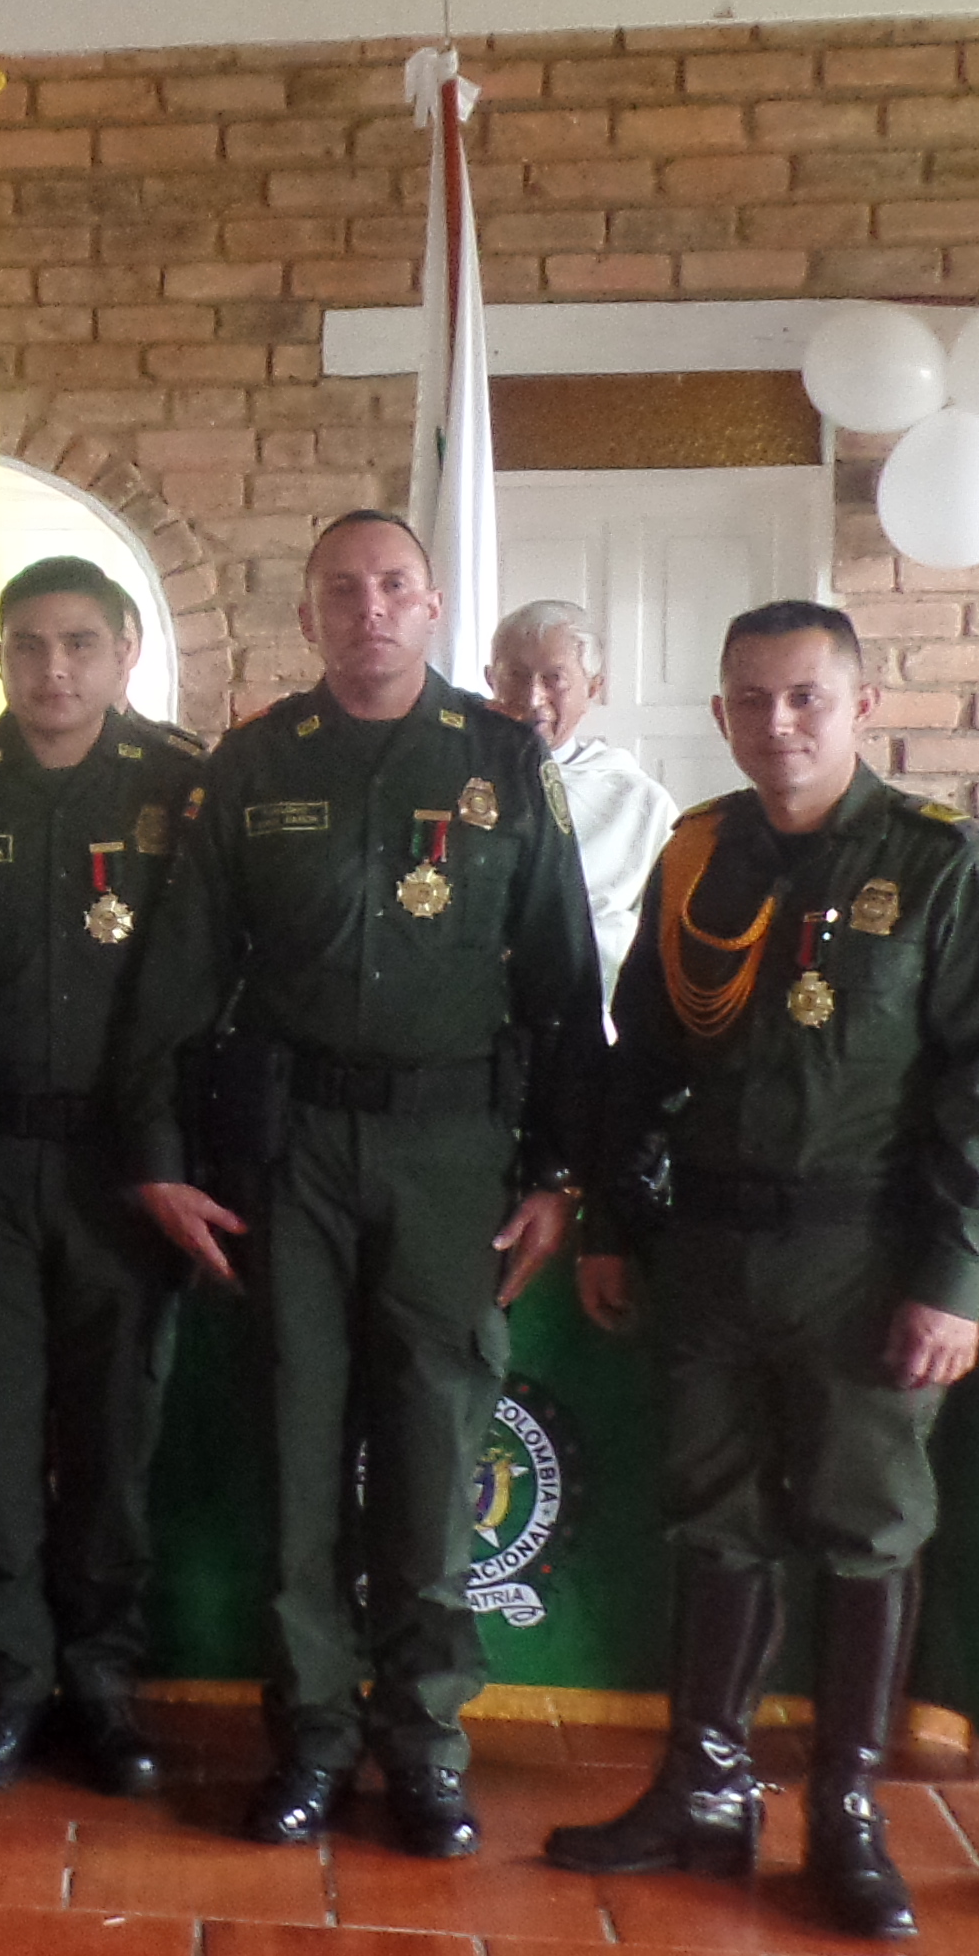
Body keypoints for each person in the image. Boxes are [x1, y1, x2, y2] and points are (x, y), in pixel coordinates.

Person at [547, 601, 979, 1939]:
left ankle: (847, 1809)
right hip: (711, 1243)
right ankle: (704, 1790)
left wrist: (951, 1275)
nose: (779, 724)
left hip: (867, 1247)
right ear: (720, 714)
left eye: (807, 699)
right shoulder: (696, 854)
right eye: (753, 700)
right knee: (712, 1512)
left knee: (864, 1522)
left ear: (859, 707)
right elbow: (643, 1058)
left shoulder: (942, 867)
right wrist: (610, 1220)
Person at [109, 508, 602, 1854]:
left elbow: (566, 989)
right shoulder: (256, 765)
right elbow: (177, 983)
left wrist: (562, 1171)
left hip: (454, 1155)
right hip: (296, 1154)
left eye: (393, 585)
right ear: (311, 614)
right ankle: (314, 1738)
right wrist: (158, 1156)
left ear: (432, 607)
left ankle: (426, 1748)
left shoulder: (504, 760)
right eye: (342, 589)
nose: (368, 608)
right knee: (299, 1449)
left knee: (438, 1456)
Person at [0, 556, 201, 1797]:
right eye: (28, 645)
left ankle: (102, 1682)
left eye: (80, 644)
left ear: (126, 651)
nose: (53, 669)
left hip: (122, 1171)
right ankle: (10, 1684)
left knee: (113, 1442)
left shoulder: (179, 788)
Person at [489, 597, 680, 1000]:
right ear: (491, 679)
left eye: (554, 679)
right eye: (517, 676)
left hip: (588, 1012)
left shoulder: (638, 802)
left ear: (594, 687)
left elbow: (666, 939)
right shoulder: (459, 779)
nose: (533, 697)